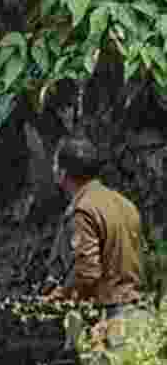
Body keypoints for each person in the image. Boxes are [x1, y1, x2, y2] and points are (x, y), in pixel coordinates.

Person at [47, 136, 144, 352]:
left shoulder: (82, 210)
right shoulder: (124, 203)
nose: (52, 169)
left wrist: (59, 295)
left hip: (108, 319)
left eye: (55, 164)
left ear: (63, 173)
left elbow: (87, 272)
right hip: (136, 313)